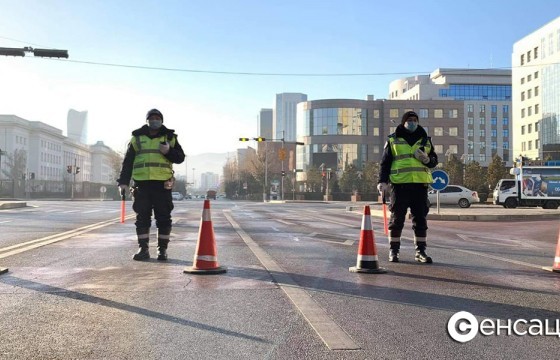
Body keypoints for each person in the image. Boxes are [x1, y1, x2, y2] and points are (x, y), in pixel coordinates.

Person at [117, 108, 185, 261]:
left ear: (162, 120)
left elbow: (180, 158)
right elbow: (128, 162)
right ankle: (143, 249)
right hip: (142, 185)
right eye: (151, 118)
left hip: (162, 185)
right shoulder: (137, 138)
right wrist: (123, 182)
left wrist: (168, 151)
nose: (154, 120)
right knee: (142, 218)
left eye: (157, 118)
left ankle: (162, 250)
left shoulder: (170, 137)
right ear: (147, 120)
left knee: (164, 218)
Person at [377, 111, 438, 263]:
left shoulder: (426, 140)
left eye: (415, 120)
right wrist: (382, 182)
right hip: (400, 185)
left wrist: (427, 159)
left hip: (420, 185)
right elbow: (385, 163)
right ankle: (394, 251)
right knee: (397, 219)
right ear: (403, 122)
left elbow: (434, 161)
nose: (412, 122)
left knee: (420, 219)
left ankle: (420, 252)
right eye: (409, 120)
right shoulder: (393, 140)